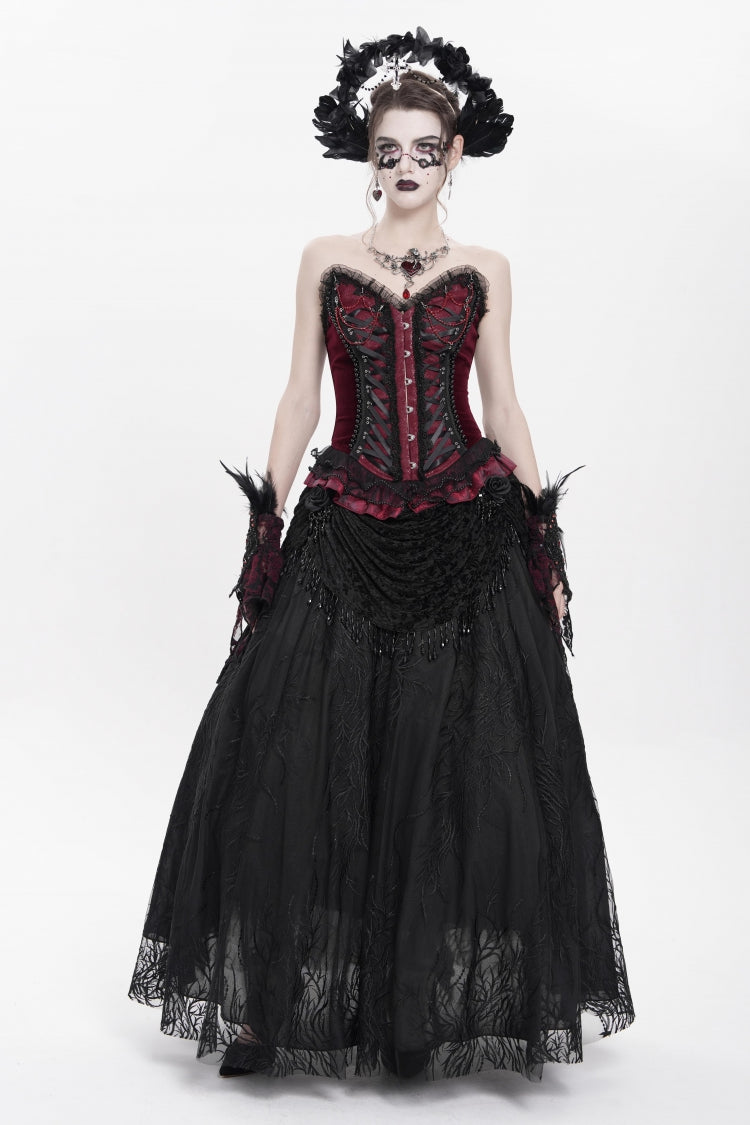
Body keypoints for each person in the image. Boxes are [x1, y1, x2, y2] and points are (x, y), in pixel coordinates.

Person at [127, 28, 635, 1084]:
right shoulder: (326, 260)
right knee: (291, 753)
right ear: (370, 156)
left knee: (463, 768)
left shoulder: (486, 271)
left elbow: (502, 403)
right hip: (347, 517)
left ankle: (420, 1013)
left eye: (425, 149)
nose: (406, 165)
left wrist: (542, 536)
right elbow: (301, 397)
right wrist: (266, 527)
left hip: (465, 524)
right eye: (389, 148)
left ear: (456, 156)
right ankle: (272, 1009)